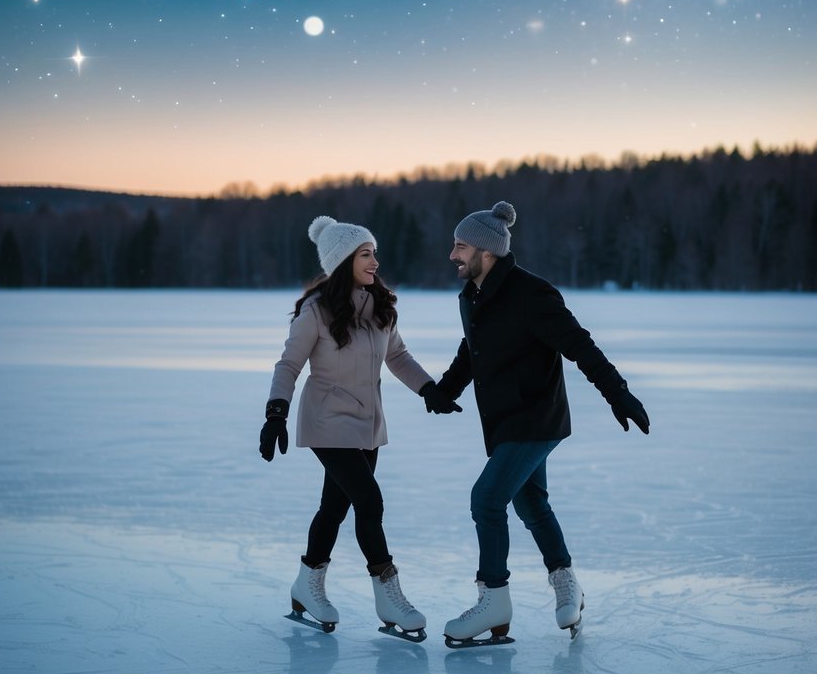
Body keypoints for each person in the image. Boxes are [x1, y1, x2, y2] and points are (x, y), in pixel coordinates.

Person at [420, 201, 649, 644]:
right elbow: (472, 350)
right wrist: (445, 389)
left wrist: (617, 393)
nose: (453, 255)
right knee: (530, 504)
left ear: (487, 252)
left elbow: (580, 346)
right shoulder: (473, 295)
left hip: (536, 418)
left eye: (460, 246)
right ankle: (566, 583)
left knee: (487, 499)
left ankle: (494, 600)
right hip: (504, 420)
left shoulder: (532, 294)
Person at [259, 215, 433, 638]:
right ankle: (388, 595)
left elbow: (399, 358)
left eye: (374, 253)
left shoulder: (382, 307)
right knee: (369, 502)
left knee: (334, 509)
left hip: (367, 424)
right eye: (365, 254)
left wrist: (430, 389)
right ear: (342, 261)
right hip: (327, 420)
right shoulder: (316, 312)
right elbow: (289, 364)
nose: (375, 261)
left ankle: (307, 583)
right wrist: (276, 413)